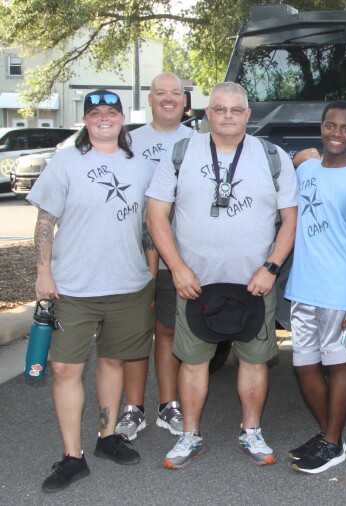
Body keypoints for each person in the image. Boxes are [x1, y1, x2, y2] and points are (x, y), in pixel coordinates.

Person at [146, 82, 298, 469]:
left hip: (254, 282)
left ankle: (251, 432)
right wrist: (177, 268)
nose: (228, 115)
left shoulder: (272, 157)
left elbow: (290, 220)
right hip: (195, 282)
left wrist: (271, 268)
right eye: (219, 109)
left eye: (236, 109)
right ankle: (190, 436)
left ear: (248, 115)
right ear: (207, 114)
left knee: (254, 361)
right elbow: (156, 214)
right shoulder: (181, 153)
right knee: (194, 362)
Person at [28, 90, 155, 492]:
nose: (104, 118)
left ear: (122, 119)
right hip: (73, 287)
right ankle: (72, 456)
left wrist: (150, 275)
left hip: (127, 285)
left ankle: (106, 437)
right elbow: (45, 222)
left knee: (113, 362)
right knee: (65, 369)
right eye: (96, 113)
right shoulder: (64, 163)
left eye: (112, 112)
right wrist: (43, 274)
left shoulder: (142, 166)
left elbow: (151, 226)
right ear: (85, 121)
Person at [284, 101, 346, 474]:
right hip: (303, 291)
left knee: (338, 367)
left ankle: (331, 443)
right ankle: (330, 435)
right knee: (305, 366)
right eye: (330, 125)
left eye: (345, 128)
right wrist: (297, 157)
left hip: (341, 298)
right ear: (321, 128)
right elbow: (292, 165)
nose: (336, 133)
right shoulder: (307, 168)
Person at [116, 72, 196, 441]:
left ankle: (168, 405)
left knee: (166, 330)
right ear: (150, 99)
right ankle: (133, 408)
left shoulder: (199, 142)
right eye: (161, 93)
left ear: (185, 100)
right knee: (134, 336)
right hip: (131, 256)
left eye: (175, 93)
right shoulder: (128, 141)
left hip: (176, 258)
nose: (169, 99)